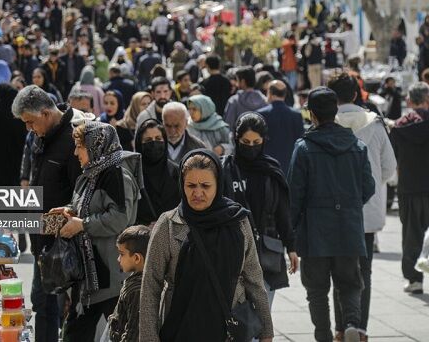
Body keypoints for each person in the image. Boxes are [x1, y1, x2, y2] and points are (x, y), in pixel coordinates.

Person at [138, 150, 274, 342]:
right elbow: (151, 285)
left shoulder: (237, 221)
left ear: (218, 186)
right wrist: (149, 338)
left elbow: (254, 278)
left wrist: (267, 332)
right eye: (191, 185)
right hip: (181, 328)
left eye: (206, 186)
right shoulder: (168, 224)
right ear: (182, 185)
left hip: (229, 331)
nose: (198, 193)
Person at [288, 87, 375, 342]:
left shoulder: (303, 148)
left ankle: (323, 334)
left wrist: (290, 233)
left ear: (312, 114)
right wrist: (349, 205)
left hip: (314, 230)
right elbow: (368, 186)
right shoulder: (357, 146)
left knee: (316, 290)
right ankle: (350, 323)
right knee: (349, 283)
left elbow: (295, 193)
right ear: (335, 111)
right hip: (348, 227)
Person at [12, 86, 88, 342]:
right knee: (41, 303)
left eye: (30, 122)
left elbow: (81, 196)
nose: (28, 128)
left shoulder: (74, 138)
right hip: (42, 239)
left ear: (45, 113)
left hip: (67, 243)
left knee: (69, 309)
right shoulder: (38, 137)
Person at [51, 122, 137, 341]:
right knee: (75, 333)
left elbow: (119, 218)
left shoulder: (116, 175)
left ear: (94, 146)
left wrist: (82, 224)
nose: (75, 152)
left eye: (79, 146)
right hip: (90, 277)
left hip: (109, 274)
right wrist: (70, 211)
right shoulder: (91, 174)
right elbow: (89, 207)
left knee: (119, 333)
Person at [329, 73, 396, 339]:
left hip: (334, 212)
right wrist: (373, 185)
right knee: (363, 273)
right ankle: (360, 328)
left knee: (339, 271)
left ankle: (339, 327)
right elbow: (390, 167)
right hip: (367, 211)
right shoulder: (375, 124)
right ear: (357, 94)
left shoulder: (325, 124)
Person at [221, 113, 297, 306]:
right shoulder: (226, 169)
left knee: (263, 317)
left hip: (266, 253)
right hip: (233, 251)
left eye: (257, 141)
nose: (251, 146)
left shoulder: (271, 169)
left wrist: (292, 247)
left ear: (264, 140)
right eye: (246, 141)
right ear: (237, 139)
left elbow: (282, 211)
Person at [390, 82, 429, 299]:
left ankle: (414, 279)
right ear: (428, 100)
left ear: (409, 100)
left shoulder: (399, 127)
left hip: (408, 188)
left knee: (411, 235)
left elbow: (393, 159)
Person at [106, 225, 150, 342]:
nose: (118, 259)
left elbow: (133, 332)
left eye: (122, 254)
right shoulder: (135, 280)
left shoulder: (138, 290)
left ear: (136, 258)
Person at [134, 118, 180, 224]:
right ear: (139, 144)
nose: (154, 143)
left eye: (158, 138)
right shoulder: (133, 174)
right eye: (148, 140)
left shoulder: (175, 171)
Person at [256, 80, 305, 172]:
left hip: (267, 165)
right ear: (285, 94)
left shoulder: (260, 114)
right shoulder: (296, 115)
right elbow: (300, 141)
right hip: (290, 165)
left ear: (269, 93)